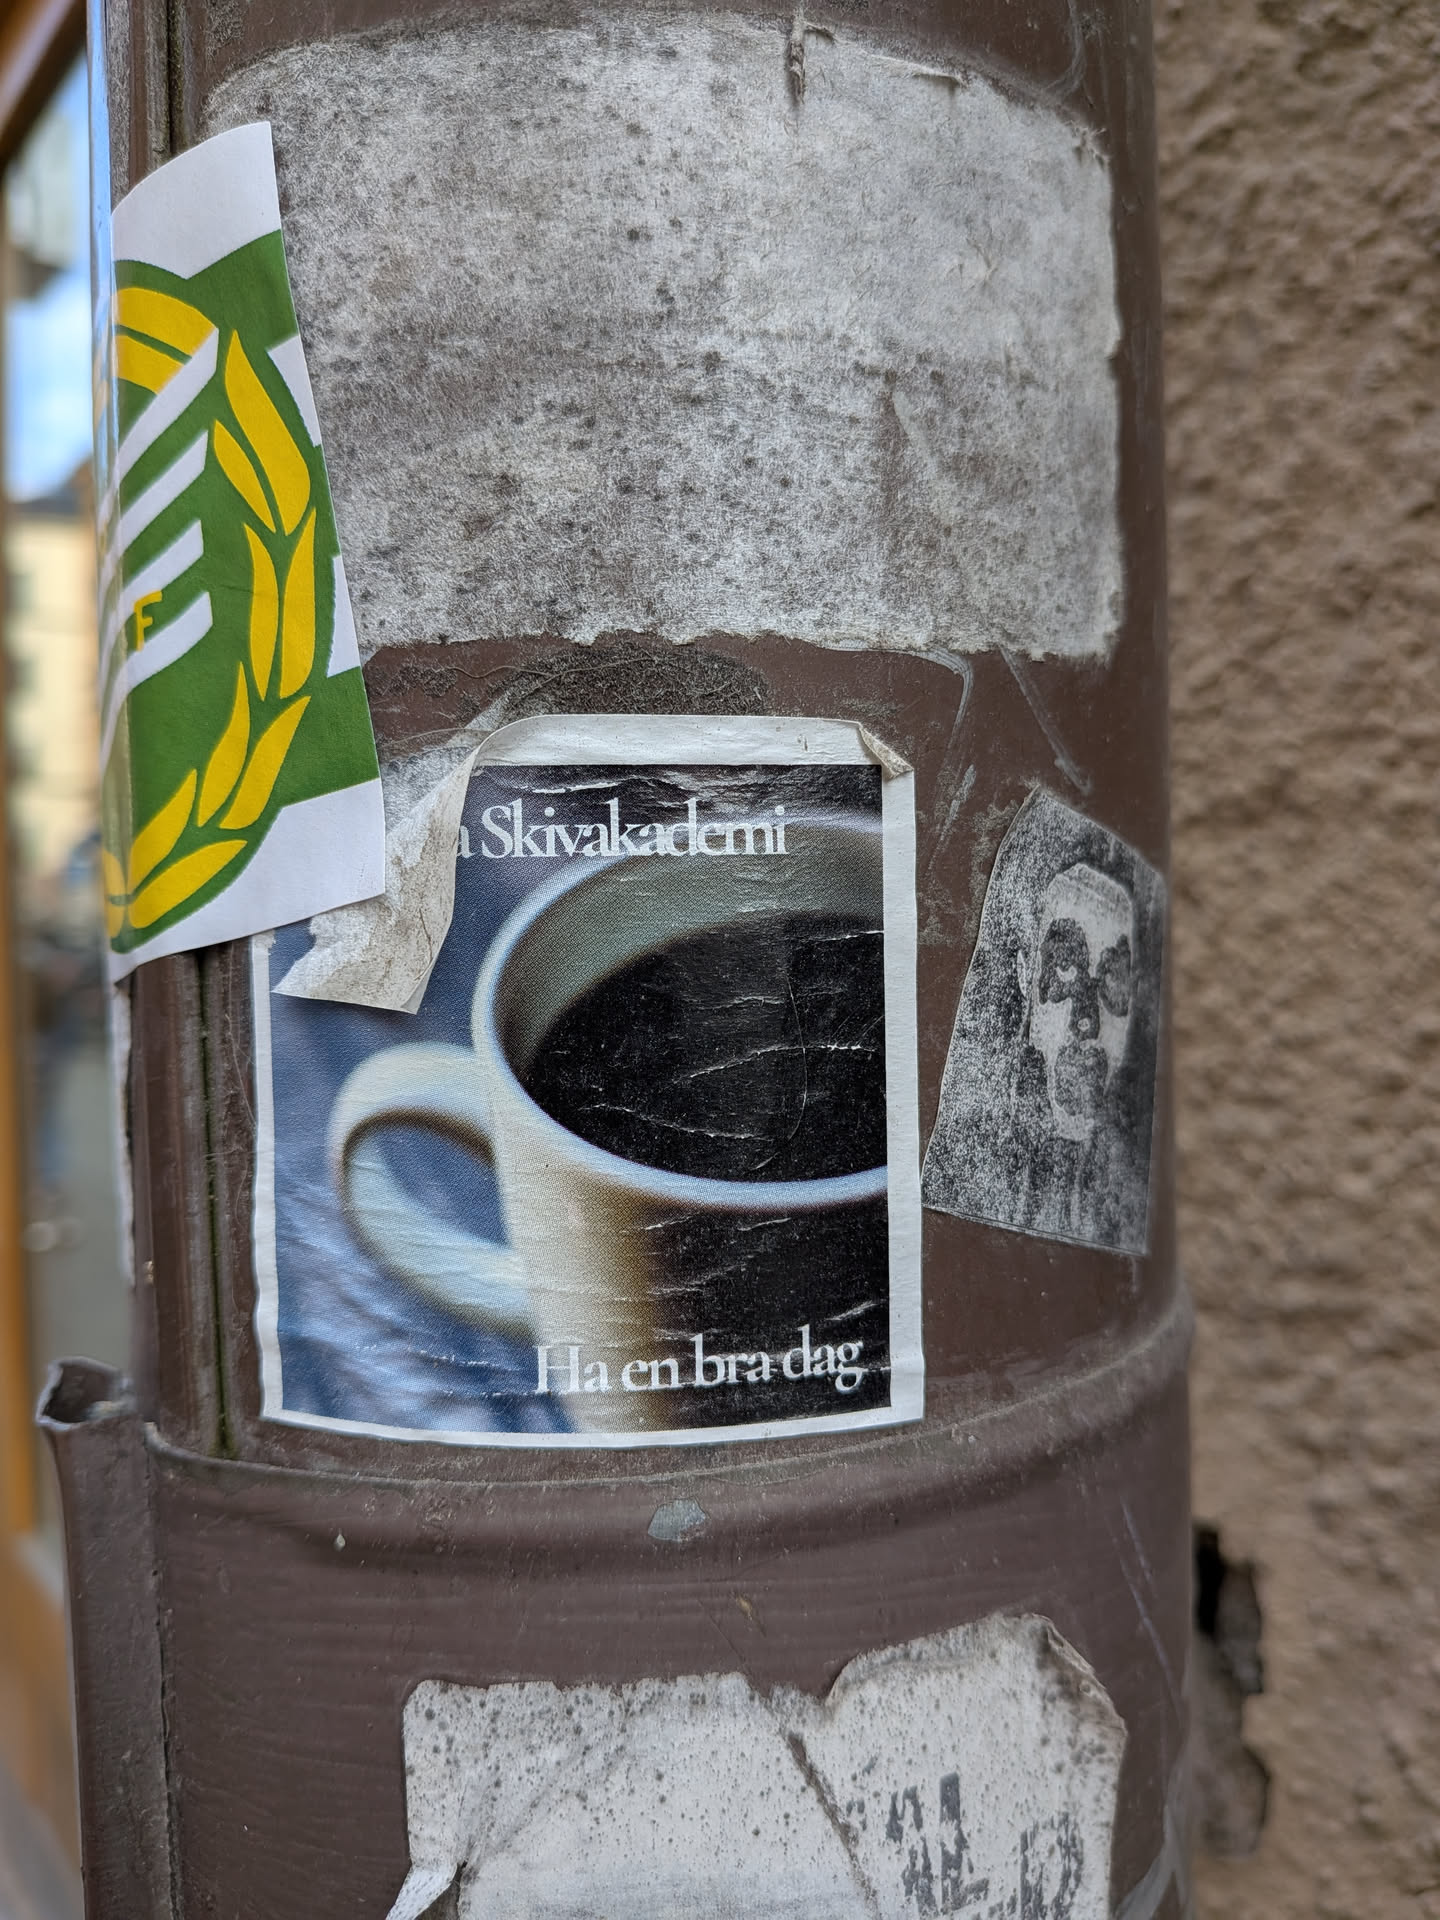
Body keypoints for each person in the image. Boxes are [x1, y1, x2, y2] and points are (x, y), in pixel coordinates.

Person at [923, 790, 1163, 1255]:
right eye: (1068, 967)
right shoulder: (978, 1167)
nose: (1087, 1022)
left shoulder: (1123, 1190)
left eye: (1112, 979)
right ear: (1025, 974)